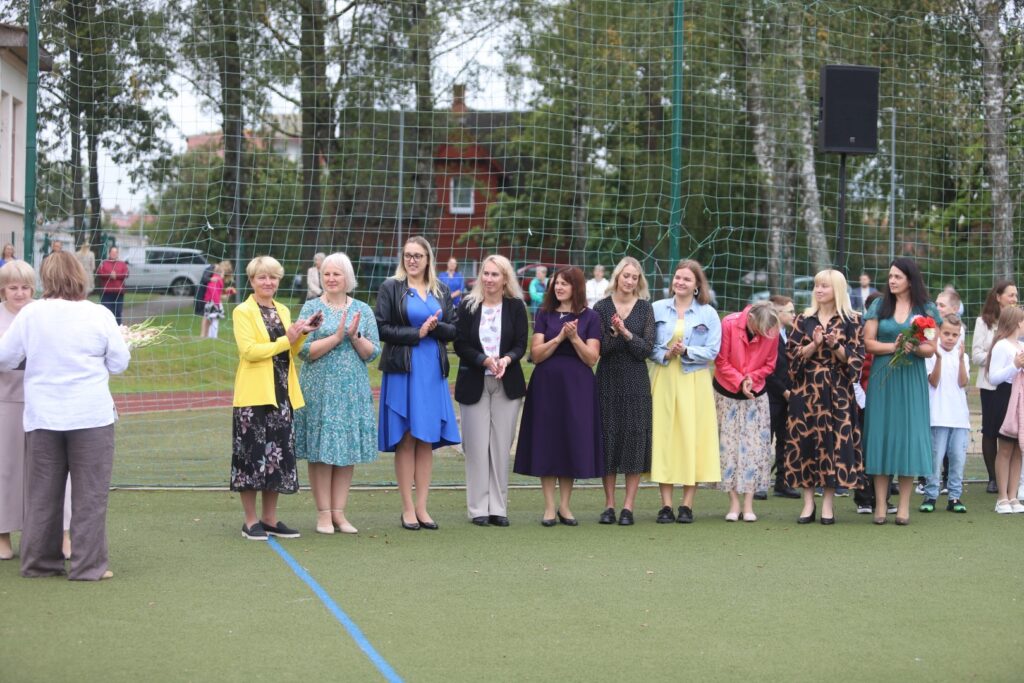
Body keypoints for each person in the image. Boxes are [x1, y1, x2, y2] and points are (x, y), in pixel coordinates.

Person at [0, 252, 130, 580]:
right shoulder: (99, 314)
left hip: (43, 417)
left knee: (42, 493)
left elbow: (4, 357)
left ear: (45, 279)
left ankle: (39, 563)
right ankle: (88, 566)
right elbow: (119, 363)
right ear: (80, 276)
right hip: (91, 417)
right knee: (90, 495)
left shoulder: (31, 314)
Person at [231, 256, 319, 540]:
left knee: (275, 457)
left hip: (281, 394)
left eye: (273, 277)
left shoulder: (282, 309)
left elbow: (288, 351)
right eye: (262, 277)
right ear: (252, 281)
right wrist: (286, 339)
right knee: (250, 456)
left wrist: (301, 334)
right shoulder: (243, 311)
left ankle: (269, 518)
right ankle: (250, 520)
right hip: (254, 395)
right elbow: (249, 351)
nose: (268, 282)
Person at [376, 236, 460, 531]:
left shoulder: (441, 289)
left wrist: (435, 329)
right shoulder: (391, 287)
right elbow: (381, 328)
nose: (412, 260)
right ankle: (407, 508)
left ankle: (423, 507)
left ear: (428, 259)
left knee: (426, 437)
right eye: (408, 255)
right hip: (403, 370)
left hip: (432, 371)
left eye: (417, 256)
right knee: (407, 435)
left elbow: (454, 329)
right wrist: (417, 333)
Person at [295, 252, 380, 535]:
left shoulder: (362, 309)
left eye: (337, 274)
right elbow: (304, 351)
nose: (331, 279)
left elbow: (372, 353)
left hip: (351, 389)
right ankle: (323, 514)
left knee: (346, 449)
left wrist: (355, 336)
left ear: (348, 278)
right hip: (319, 388)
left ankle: (339, 513)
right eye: (327, 274)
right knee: (320, 451)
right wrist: (336, 337)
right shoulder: (311, 308)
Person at [514, 266, 602, 526]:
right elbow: (536, 354)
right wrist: (559, 338)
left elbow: (592, 358)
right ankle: (549, 507)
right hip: (547, 386)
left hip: (578, 387)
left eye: (564, 283)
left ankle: (565, 505)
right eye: (556, 283)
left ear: (576, 287)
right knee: (547, 441)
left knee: (570, 440)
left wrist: (574, 339)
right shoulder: (544, 314)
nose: (559, 287)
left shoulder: (591, 317)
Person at [782, 270, 865, 525]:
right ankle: (808, 503)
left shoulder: (852, 320)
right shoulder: (803, 319)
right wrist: (814, 344)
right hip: (806, 391)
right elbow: (791, 358)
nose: (818, 290)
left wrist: (835, 345)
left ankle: (828, 503)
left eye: (825, 286)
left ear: (837, 289)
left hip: (837, 392)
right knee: (804, 443)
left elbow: (857, 361)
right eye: (817, 285)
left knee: (834, 445)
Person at [863, 257, 939, 525]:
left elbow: (931, 348)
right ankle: (880, 504)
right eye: (890, 276)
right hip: (882, 377)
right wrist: (893, 347)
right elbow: (868, 343)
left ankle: (904, 506)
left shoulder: (926, 308)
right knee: (881, 435)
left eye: (897, 276)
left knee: (908, 436)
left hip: (911, 378)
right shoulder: (878, 305)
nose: (892, 281)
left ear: (910, 279)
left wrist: (914, 348)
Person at [454, 255, 528, 527]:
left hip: (506, 384)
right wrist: (484, 360)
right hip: (474, 382)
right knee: (476, 447)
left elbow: (521, 344)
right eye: (485, 273)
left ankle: (498, 507)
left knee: (500, 447)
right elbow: (460, 344)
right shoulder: (468, 305)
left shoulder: (516, 307)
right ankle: (478, 509)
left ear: (505, 278)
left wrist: (506, 360)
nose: (488, 279)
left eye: (495, 274)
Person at [650, 259, 722, 524]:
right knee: (664, 438)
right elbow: (648, 345)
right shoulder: (657, 308)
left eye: (687, 279)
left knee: (693, 438)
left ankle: (687, 505)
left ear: (697, 285)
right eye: (678, 277)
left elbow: (713, 350)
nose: (680, 282)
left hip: (695, 381)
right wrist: (666, 353)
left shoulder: (708, 313)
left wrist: (688, 350)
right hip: (664, 378)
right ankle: (666, 505)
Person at [593, 257, 655, 525]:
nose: (629, 281)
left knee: (634, 441)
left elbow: (645, 350)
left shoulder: (645, 308)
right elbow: (601, 350)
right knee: (607, 439)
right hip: (607, 380)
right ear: (617, 277)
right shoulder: (601, 307)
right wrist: (614, 333)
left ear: (639, 281)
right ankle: (609, 505)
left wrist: (626, 333)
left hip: (636, 382)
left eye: (634, 277)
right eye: (625, 276)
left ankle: (628, 507)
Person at [714, 301, 779, 522]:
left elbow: (770, 364)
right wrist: (740, 380)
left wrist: (752, 378)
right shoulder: (728, 324)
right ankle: (733, 503)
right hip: (726, 392)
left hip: (756, 394)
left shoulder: (771, 329)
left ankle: (749, 504)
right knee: (728, 449)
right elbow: (721, 360)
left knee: (754, 449)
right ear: (750, 319)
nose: (763, 334)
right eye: (759, 329)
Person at [0, 261, 35, 560]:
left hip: (42, 401)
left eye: (25, 287)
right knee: (6, 468)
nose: (20, 293)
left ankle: (58, 533)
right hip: (5, 401)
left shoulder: (41, 314)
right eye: (13, 287)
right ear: (3, 290)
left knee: (47, 469)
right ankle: (3, 534)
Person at [920, 313, 970, 514]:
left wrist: (960, 360)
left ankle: (954, 496)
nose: (950, 338)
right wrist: (939, 359)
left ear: (959, 336)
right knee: (935, 458)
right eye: (947, 333)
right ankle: (931, 495)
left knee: (957, 457)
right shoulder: (931, 353)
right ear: (939, 332)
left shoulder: (962, 356)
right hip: (938, 415)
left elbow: (963, 382)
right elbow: (933, 381)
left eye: (954, 335)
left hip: (959, 417)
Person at [972, 280, 1018, 494]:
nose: (1014, 299)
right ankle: (993, 478)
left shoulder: (1019, 322)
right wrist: (998, 355)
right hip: (991, 385)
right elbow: (976, 355)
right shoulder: (984, 322)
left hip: (1014, 386)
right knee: (991, 430)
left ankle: (1011, 479)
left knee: (1012, 431)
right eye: (1010, 295)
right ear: (998, 297)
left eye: (1016, 295)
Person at [985, 305, 1024, 514]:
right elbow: (994, 377)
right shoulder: (1001, 346)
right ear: (1017, 322)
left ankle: (1013, 495)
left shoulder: (1021, 344)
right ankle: (1002, 498)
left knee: (1018, 449)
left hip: (1021, 397)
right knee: (1006, 448)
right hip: (1005, 397)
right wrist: (1015, 365)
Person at [762, 295, 799, 499]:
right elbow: (767, 370)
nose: (794, 315)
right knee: (764, 439)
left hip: (788, 396)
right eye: (790, 311)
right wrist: (784, 391)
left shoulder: (789, 335)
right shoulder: (767, 335)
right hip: (771, 395)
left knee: (785, 439)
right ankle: (759, 484)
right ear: (777, 313)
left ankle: (782, 482)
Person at [202, 261, 236, 339]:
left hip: (211, 302)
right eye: (225, 274)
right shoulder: (216, 279)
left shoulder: (217, 279)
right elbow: (213, 290)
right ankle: (213, 337)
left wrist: (228, 291)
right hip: (212, 302)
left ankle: (210, 336)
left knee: (211, 319)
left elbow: (218, 291)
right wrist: (217, 303)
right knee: (214, 319)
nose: (224, 276)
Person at [96, 246, 128, 324]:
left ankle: (118, 327)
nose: (114, 254)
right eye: (112, 252)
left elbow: (126, 274)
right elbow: (99, 272)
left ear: (118, 254)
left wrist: (116, 275)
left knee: (118, 312)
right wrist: (109, 275)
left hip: (118, 292)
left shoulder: (122, 264)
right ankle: (107, 327)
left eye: (115, 252)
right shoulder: (104, 263)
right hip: (107, 292)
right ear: (109, 253)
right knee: (106, 312)